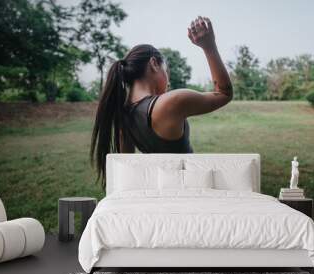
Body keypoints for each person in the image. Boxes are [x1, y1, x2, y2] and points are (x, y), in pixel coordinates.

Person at [90, 16, 233, 188]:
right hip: (190, 189)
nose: (169, 80)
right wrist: (209, 46)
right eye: (167, 71)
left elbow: (129, 168)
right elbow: (224, 93)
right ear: (154, 64)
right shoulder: (170, 103)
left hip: (160, 192)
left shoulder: (123, 114)